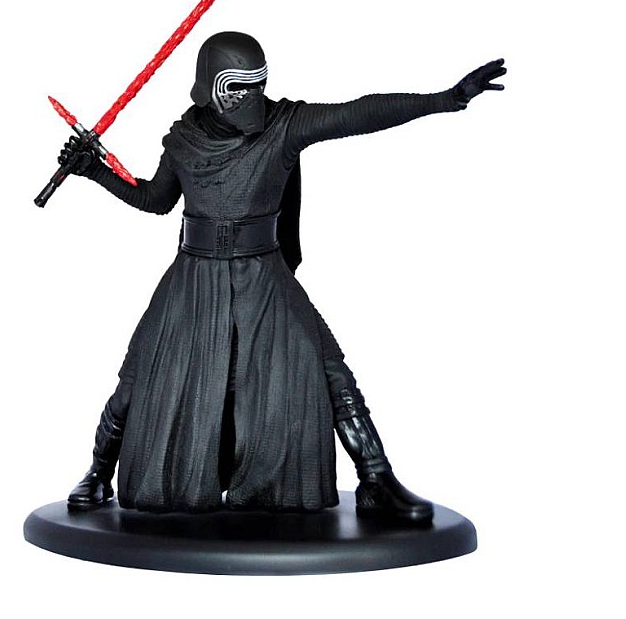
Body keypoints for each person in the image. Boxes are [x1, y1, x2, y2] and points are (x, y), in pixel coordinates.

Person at [60, 31, 505, 524]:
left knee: (328, 365)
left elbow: (357, 113)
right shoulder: (185, 139)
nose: (251, 97)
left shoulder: (285, 125)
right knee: (140, 370)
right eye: (237, 86)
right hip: (194, 276)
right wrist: (95, 170)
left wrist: (446, 99)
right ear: (210, 85)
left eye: (258, 84)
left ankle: (376, 478)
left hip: (263, 272)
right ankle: (98, 472)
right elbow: (155, 199)